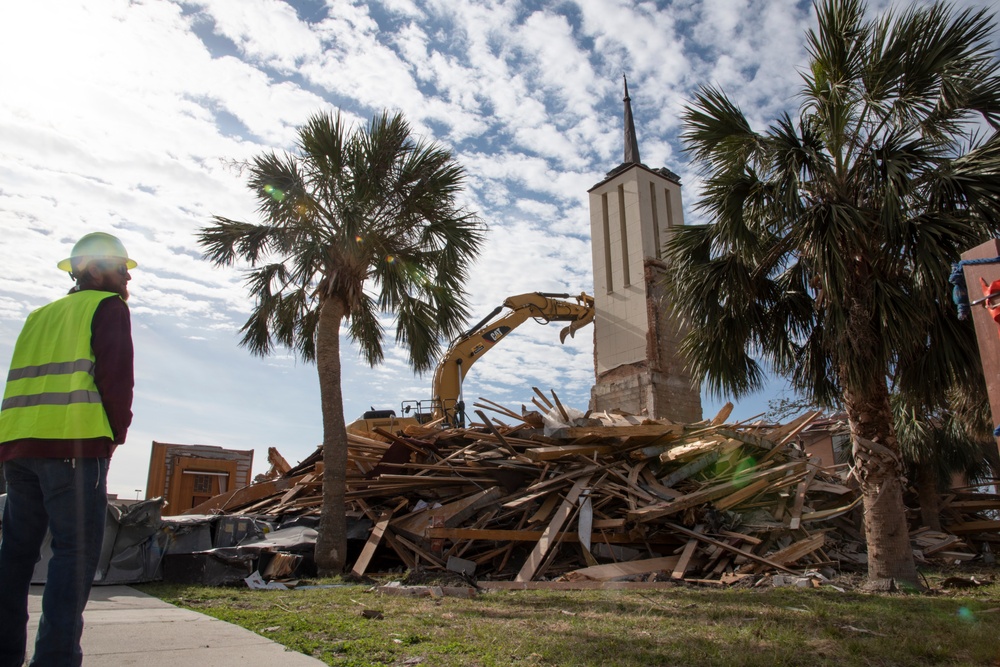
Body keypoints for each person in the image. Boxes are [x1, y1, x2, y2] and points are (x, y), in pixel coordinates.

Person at [0, 232, 135, 667]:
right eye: (119, 269)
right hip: (73, 447)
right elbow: (116, 380)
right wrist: (113, 437)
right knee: (73, 555)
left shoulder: (39, 316)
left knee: (14, 555)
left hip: (18, 447)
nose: (126, 280)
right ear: (94, 269)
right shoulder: (108, 308)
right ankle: (55, 660)